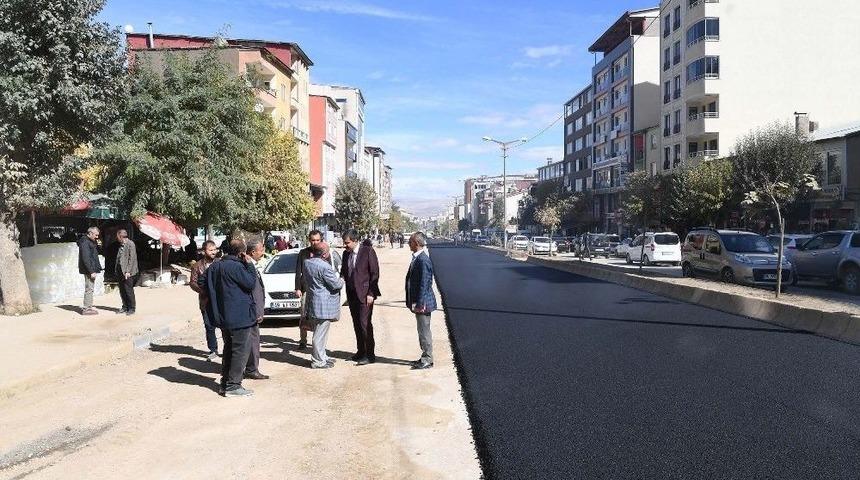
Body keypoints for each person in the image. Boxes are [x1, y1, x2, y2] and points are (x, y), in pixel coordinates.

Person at [199, 238, 258, 397]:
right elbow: (250, 283)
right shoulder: (237, 267)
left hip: (223, 316)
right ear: (241, 253)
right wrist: (250, 265)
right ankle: (233, 386)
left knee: (228, 349)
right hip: (239, 317)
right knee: (240, 351)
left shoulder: (214, 266)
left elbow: (201, 282)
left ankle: (225, 383)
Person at [341, 230, 381, 365]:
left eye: (347, 243)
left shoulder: (367, 251)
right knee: (357, 324)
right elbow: (344, 272)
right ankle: (360, 351)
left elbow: (374, 274)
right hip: (352, 294)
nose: (345, 245)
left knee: (365, 324)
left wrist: (371, 293)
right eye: (344, 243)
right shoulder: (346, 254)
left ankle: (370, 355)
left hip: (365, 295)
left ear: (355, 240)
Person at [303, 241, 344, 369]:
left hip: (313, 302)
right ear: (325, 254)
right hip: (323, 304)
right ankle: (318, 361)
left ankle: (322, 356)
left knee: (320, 332)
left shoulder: (307, 262)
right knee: (319, 335)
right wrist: (342, 279)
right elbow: (336, 284)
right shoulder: (324, 267)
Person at [406, 232, 437, 369]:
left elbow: (425, 283)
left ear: (417, 243)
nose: (408, 244)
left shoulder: (423, 260)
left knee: (424, 331)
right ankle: (424, 356)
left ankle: (428, 360)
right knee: (421, 330)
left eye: (410, 242)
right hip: (418, 301)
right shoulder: (417, 258)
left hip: (422, 303)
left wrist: (420, 303)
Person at [190, 240, 220, 361]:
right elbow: (192, 282)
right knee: (209, 326)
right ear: (204, 251)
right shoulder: (197, 266)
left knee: (225, 325)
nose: (213, 252)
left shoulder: (220, 263)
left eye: (214, 250)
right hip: (206, 301)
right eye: (210, 250)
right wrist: (202, 291)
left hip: (220, 300)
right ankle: (213, 350)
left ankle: (228, 349)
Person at [244, 238, 269, 380]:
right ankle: (251, 369)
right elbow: (252, 292)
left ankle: (251, 367)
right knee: (253, 341)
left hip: (254, 310)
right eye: (261, 250)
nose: (263, 252)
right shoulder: (248, 266)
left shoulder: (252, 264)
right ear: (253, 252)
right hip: (252, 312)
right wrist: (258, 311)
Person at [294, 230, 324, 350]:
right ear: (309, 240)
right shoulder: (303, 253)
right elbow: (298, 271)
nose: (315, 242)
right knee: (304, 315)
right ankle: (303, 340)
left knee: (318, 316)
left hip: (319, 290)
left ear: (320, 240)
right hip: (306, 289)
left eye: (317, 240)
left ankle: (317, 341)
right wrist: (297, 288)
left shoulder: (324, 253)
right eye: (313, 240)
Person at [77, 226, 102, 316]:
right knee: (89, 288)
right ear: (90, 233)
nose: (97, 237)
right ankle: (87, 308)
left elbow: (95, 254)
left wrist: (99, 245)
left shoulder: (90, 241)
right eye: (95, 235)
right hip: (89, 270)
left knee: (90, 288)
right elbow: (86, 258)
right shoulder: (85, 242)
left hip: (90, 269)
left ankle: (88, 307)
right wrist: (91, 271)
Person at [115, 229, 139, 316]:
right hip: (120, 271)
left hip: (127, 272)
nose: (117, 238)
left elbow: (131, 259)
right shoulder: (121, 244)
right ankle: (125, 306)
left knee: (128, 290)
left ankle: (132, 308)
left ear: (121, 236)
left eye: (117, 236)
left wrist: (128, 271)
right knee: (122, 290)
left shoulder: (130, 244)